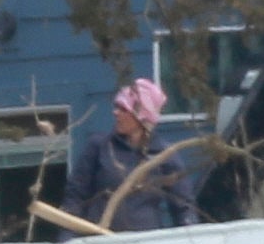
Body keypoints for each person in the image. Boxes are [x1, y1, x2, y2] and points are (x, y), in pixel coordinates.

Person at [64, 76, 201, 235]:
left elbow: (184, 207)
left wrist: (191, 237)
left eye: (123, 109)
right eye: (116, 107)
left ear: (141, 116)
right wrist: (67, 238)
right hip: (99, 243)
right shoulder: (100, 147)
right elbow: (75, 196)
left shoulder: (163, 154)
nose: (115, 113)